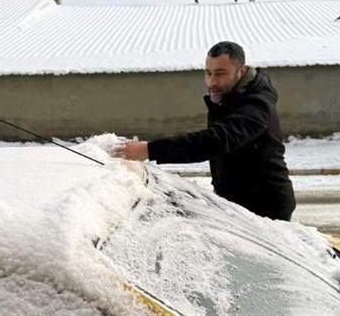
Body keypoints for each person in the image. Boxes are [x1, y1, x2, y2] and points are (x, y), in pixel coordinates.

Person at [116, 41, 296, 221]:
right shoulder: (228, 98)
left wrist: (149, 149)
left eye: (220, 73)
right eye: (208, 73)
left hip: (265, 207)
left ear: (241, 71)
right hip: (238, 203)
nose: (212, 82)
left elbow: (215, 141)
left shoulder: (256, 106)